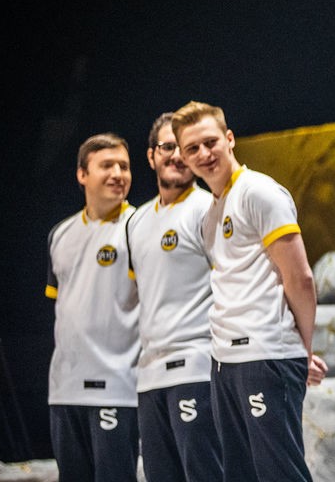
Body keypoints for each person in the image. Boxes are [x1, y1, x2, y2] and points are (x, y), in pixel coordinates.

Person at [170, 101, 326, 482]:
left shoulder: (259, 192)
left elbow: (300, 278)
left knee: (279, 473)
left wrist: (302, 349)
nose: (204, 154)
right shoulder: (211, 213)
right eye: (193, 148)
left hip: (266, 355)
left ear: (229, 138)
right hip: (225, 361)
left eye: (210, 142)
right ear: (184, 158)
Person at [125, 114, 222, 481]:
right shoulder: (136, 221)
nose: (177, 156)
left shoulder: (208, 208)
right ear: (151, 156)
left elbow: (233, 284)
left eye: (184, 148)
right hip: (149, 377)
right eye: (168, 147)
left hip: (197, 368)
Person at [45, 133, 139, 482]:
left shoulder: (140, 227)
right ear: (82, 174)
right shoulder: (60, 233)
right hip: (65, 388)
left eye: (124, 166)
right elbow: (64, 308)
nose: (118, 174)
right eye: (107, 165)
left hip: (117, 386)